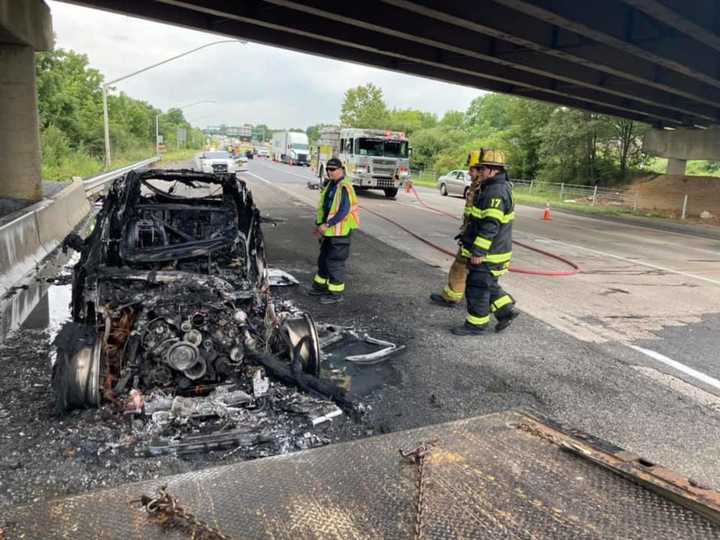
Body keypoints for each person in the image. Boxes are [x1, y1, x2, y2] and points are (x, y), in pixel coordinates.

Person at [451, 149, 518, 335]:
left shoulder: (495, 192)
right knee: (488, 284)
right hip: (494, 252)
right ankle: (506, 312)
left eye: (482, 168)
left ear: (492, 170)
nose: (479, 172)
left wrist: (479, 252)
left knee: (477, 287)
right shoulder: (495, 187)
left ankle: (476, 325)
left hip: (489, 254)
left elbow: (490, 225)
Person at [430, 162, 483, 307]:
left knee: (468, 270)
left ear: (480, 170)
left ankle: (504, 307)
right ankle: (452, 296)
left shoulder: (483, 188)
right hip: (471, 234)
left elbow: (483, 219)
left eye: (471, 170)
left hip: (476, 238)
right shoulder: (476, 186)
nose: (469, 173)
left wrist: (471, 237)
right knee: (463, 268)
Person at [309, 157, 360, 305]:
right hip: (329, 231)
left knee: (335, 262)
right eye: (328, 169)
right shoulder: (331, 185)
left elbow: (344, 210)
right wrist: (319, 224)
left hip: (340, 232)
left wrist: (328, 224)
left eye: (333, 170)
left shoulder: (345, 187)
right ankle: (320, 286)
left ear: (341, 170)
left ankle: (335, 294)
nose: (329, 172)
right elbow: (325, 207)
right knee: (324, 259)